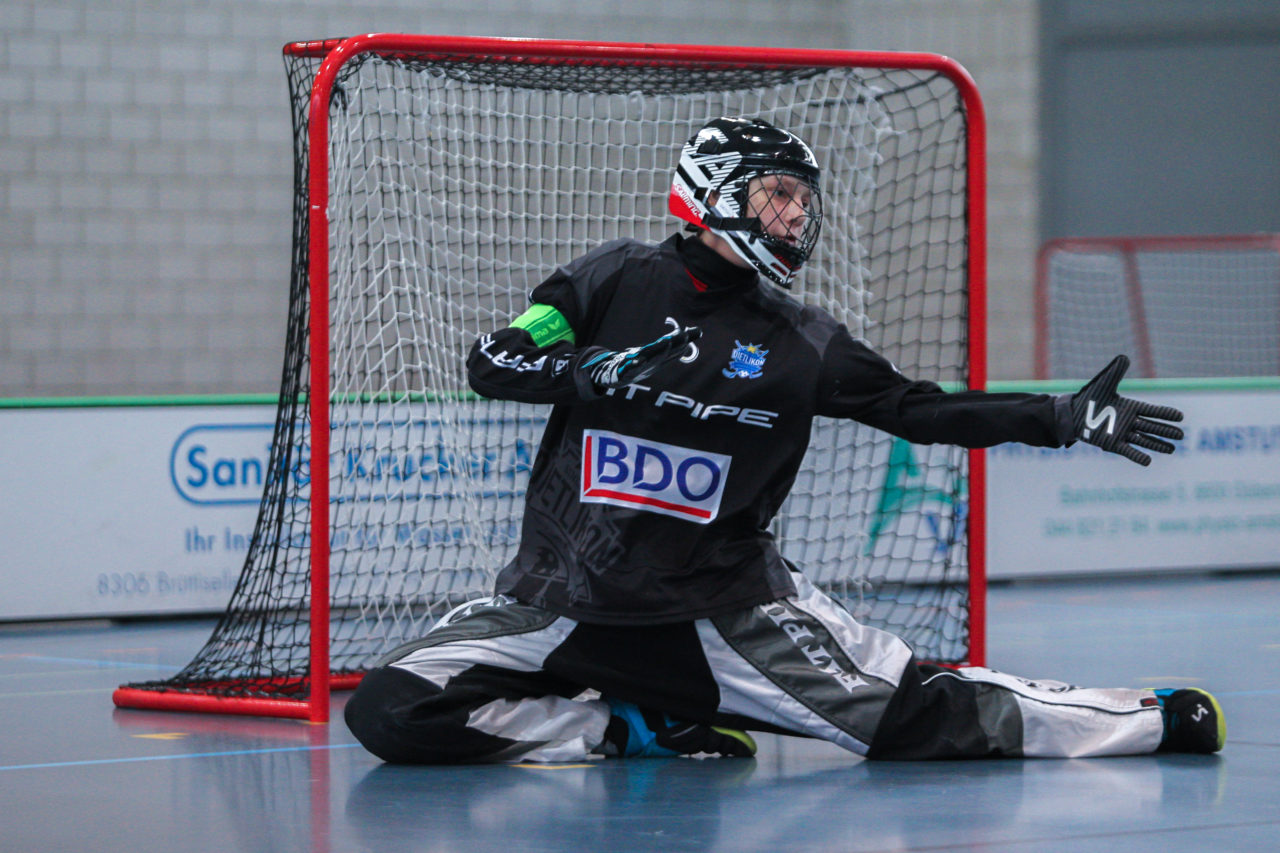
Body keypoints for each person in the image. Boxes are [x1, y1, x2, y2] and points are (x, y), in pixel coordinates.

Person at [344, 117, 1225, 763]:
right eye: (778, 195)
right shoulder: (608, 279)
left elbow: (918, 410)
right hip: (556, 605)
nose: (796, 217)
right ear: (714, 192)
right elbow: (492, 360)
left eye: (803, 201)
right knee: (388, 711)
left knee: (914, 718)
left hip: (723, 615)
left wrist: (1058, 418)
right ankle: (626, 726)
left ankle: (1143, 714)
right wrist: (587, 373)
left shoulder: (804, 341)